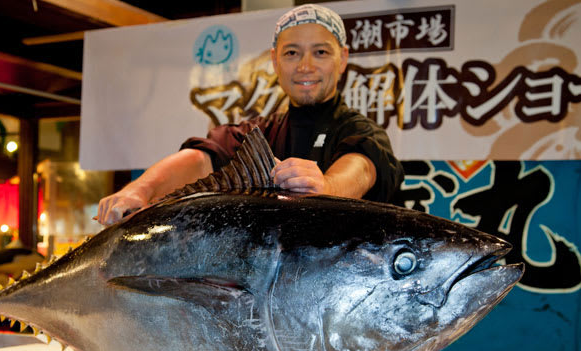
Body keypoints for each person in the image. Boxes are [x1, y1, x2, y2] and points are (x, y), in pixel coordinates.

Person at [98, 4, 404, 226]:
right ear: (274, 60)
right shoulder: (256, 134)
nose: (305, 66)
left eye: (321, 52)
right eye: (292, 53)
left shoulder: (360, 132)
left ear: (343, 59)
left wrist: (327, 187)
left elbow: (362, 169)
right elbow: (199, 158)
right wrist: (140, 189)